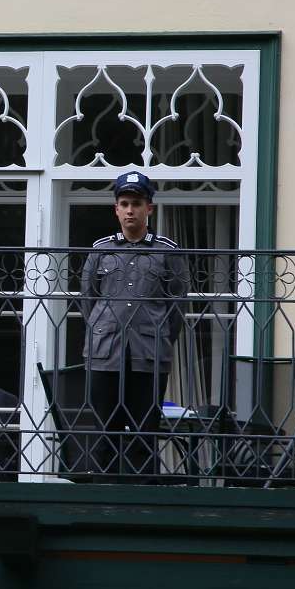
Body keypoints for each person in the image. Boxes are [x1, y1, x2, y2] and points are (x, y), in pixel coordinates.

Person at [70, 171, 188, 483]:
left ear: (150, 208)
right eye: (124, 203)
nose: (130, 210)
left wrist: (159, 335)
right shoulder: (101, 248)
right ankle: (104, 496)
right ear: (116, 209)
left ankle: (143, 497)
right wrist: (102, 329)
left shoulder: (167, 250)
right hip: (105, 352)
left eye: (136, 203)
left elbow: (177, 304)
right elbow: (88, 299)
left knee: (143, 431)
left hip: (149, 353)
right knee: (104, 429)